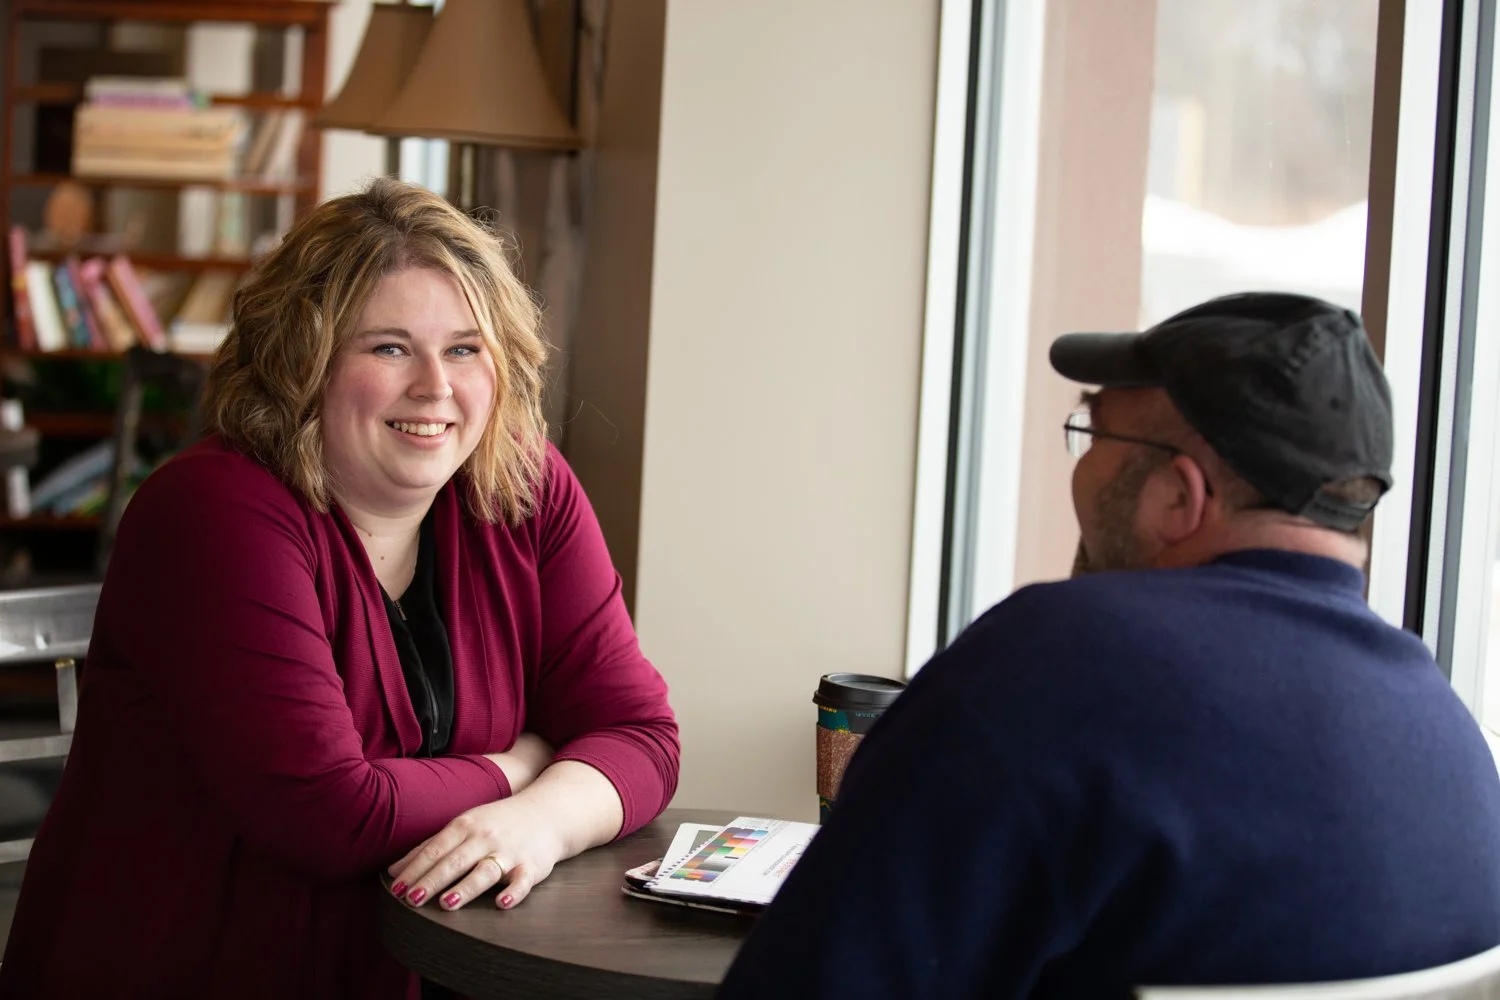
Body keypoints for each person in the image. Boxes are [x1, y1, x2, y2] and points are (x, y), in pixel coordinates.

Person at [0, 178, 680, 999]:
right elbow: (328, 813)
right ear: (302, 361)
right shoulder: (211, 510)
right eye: (389, 348)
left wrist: (540, 820)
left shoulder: (520, 487)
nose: (435, 387)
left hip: (424, 966)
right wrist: (526, 762)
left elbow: (642, 734)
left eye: (465, 348)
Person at [717, 292, 1500, 999]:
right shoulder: (1451, 739)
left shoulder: (1053, 664)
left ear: (1177, 496)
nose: (1081, 465)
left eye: (1092, 431)